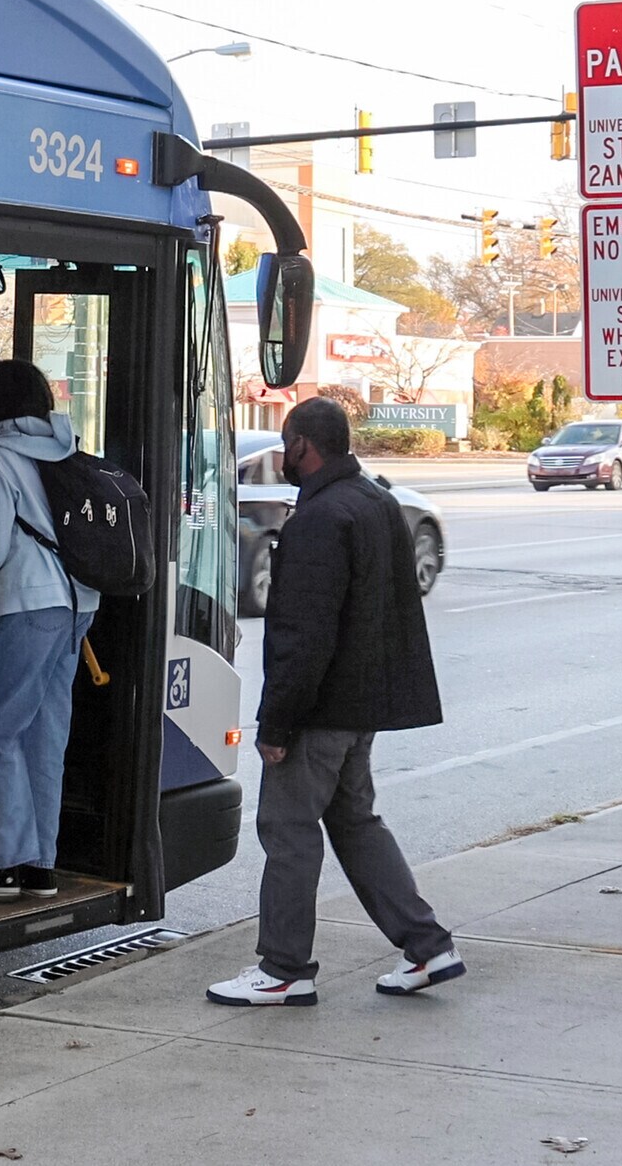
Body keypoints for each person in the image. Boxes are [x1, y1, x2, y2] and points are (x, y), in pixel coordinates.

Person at [207, 396, 462, 1007]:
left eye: (287, 444)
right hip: (362, 704)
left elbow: (303, 635)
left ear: (301, 445)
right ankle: (427, 947)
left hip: (321, 709)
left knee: (288, 828)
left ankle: (285, 968)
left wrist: (277, 725)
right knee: (355, 821)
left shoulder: (321, 517)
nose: (285, 457)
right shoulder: (375, 500)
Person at [0, 359, 98, 901]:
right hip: (77, 606)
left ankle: (0, 864)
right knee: (45, 734)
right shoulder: (65, 447)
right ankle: (41, 865)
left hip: (26, 604)